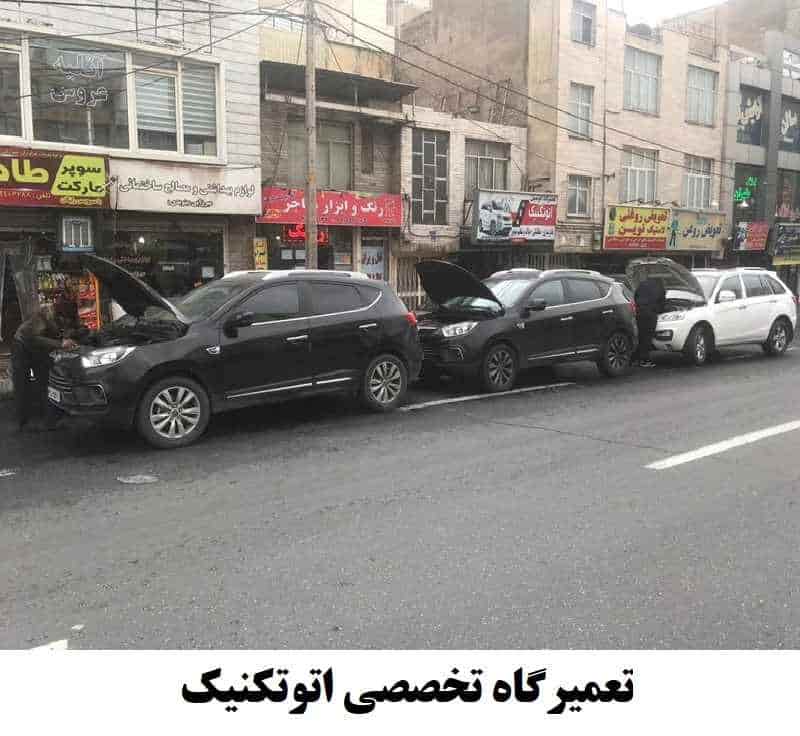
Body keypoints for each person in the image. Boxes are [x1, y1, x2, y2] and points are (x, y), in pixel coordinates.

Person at [11, 291, 81, 431]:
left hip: (38, 349)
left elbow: (69, 328)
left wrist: (72, 335)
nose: (66, 320)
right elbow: (33, 338)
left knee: (46, 381)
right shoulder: (46, 314)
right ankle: (23, 423)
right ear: (60, 309)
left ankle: (50, 420)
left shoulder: (64, 315)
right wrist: (60, 344)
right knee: (22, 383)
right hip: (22, 346)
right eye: (65, 317)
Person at [633, 276, 665, 368]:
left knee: (641, 336)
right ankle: (644, 360)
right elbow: (662, 302)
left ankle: (635, 359)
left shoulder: (642, 284)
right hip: (650, 314)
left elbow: (635, 296)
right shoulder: (660, 287)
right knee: (647, 337)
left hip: (639, 313)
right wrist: (659, 310)